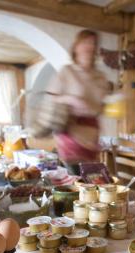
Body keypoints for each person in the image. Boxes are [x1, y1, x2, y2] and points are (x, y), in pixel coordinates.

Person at [47, 29, 111, 174]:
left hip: (92, 133)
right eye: (85, 42)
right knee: (77, 178)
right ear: (76, 47)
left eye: (93, 43)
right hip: (71, 130)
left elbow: (101, 107)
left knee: (90, 179)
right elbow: (51, 98)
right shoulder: (67, 71)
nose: (90, 46)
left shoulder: (101, 76)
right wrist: (71, 99)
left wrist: (109, 105)